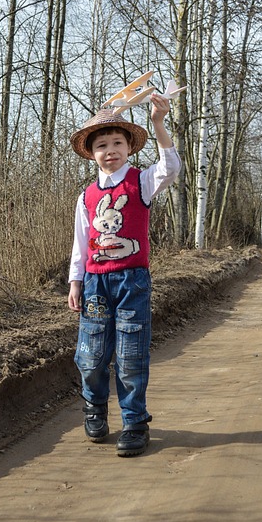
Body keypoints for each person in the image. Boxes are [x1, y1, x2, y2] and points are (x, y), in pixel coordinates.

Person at [68, 92, 181, 456]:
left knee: (131, 355)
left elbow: (171, 168)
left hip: (132, 281)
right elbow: (81, 244)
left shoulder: (141, 182)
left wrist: (159, 123)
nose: (110, 149)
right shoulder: (86, 196)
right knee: (91, 354)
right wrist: (75, 282)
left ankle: (134, 421)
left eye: (117, 142)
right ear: (92, 152)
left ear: (129, 147)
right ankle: (94, 407)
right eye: (102, 144)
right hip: (95, 284)